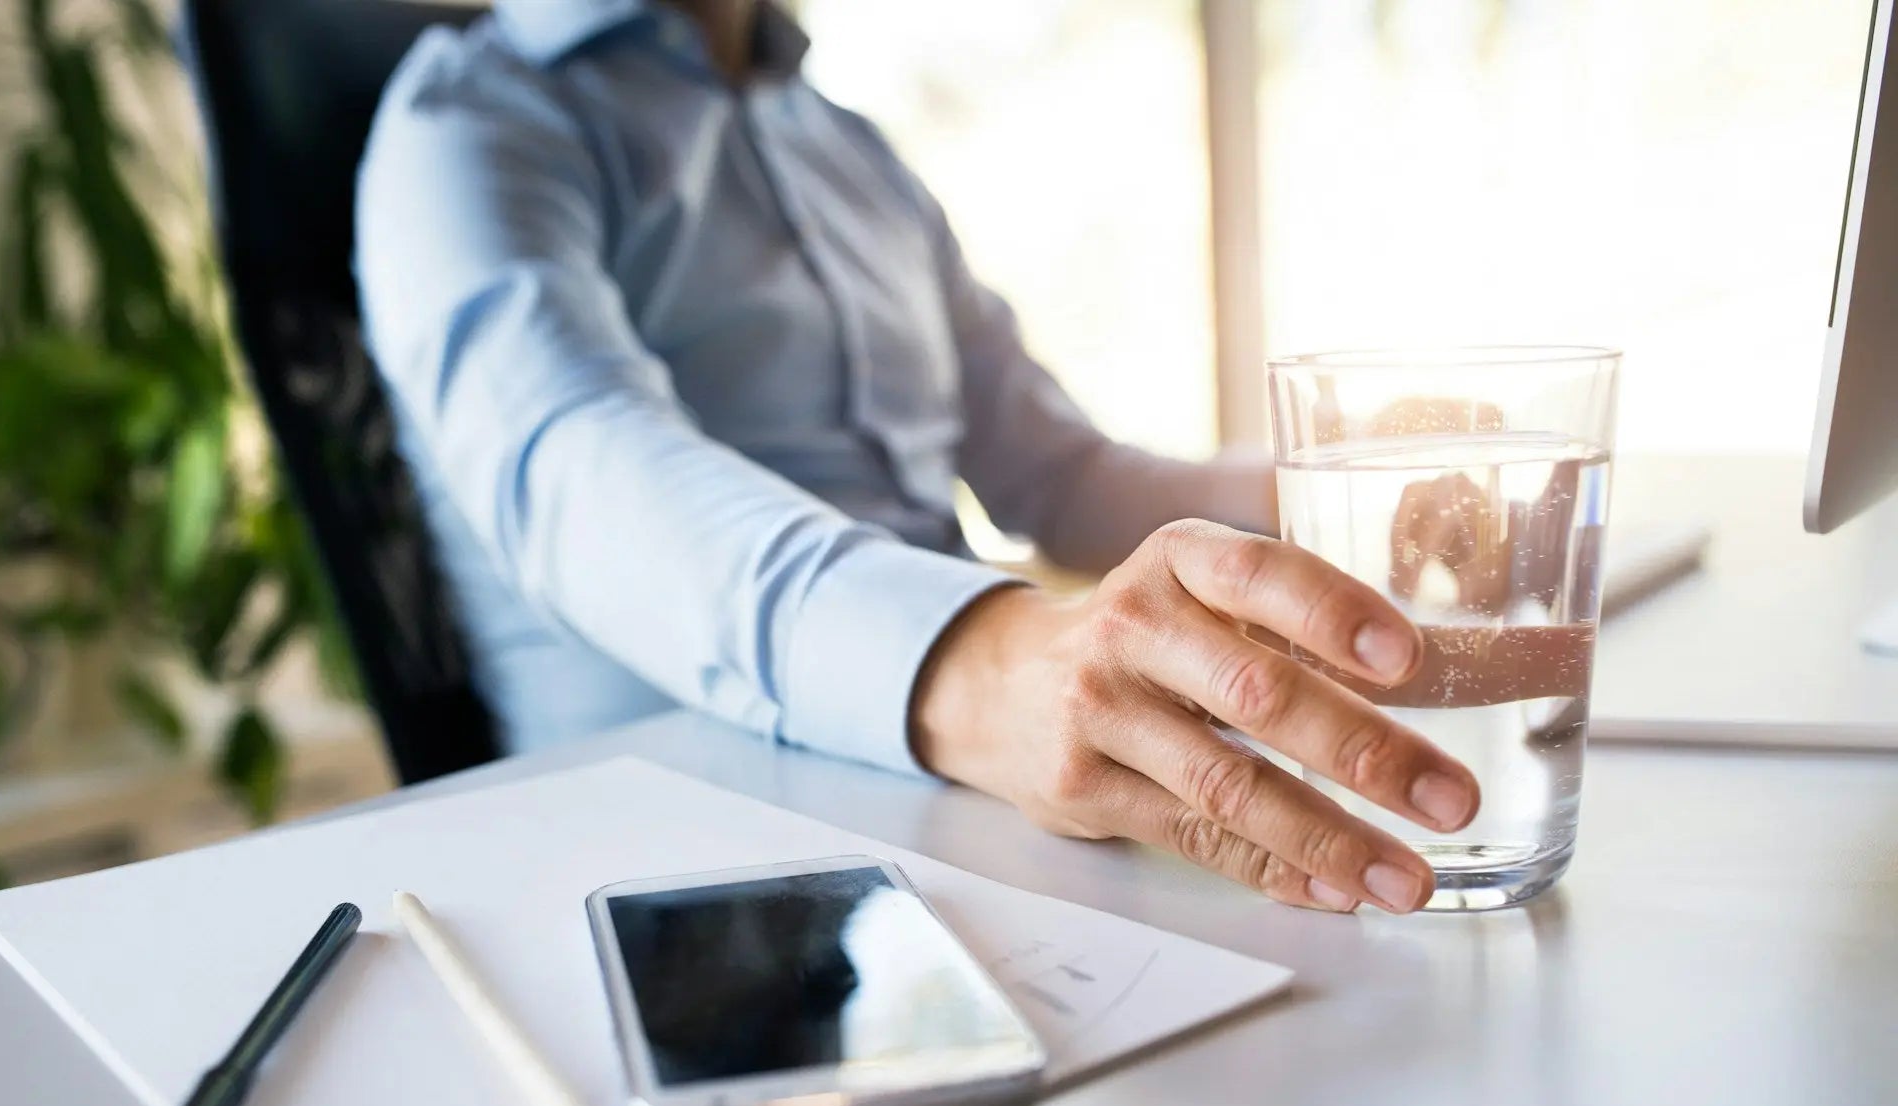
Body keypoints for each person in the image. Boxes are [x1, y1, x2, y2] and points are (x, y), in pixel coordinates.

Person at [355, 0, 1483, 916]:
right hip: (662, 849)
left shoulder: (846, 145)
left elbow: (1062, 477)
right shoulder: (466, 125)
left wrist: (1344, 491)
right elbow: (581, 470)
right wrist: (991, 666)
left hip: (962, 806)